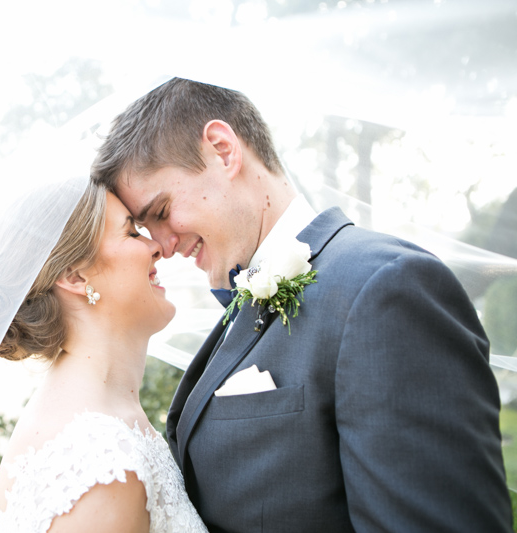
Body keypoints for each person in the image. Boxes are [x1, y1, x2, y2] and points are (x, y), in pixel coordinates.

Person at [91, 77, 512, 532]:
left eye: (161, 211)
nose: (165, 246)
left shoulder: (386, 289)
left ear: (222, 149)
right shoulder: (239, 311)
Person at [0, 180, 207, 533]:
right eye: (132, 233)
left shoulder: (98, 419)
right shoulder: (97, 462)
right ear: (75, 275)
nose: (157, 247)